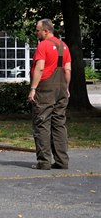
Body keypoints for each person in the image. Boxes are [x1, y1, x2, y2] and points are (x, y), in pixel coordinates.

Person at [27, 19, 71, 170]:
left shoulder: (43, 45)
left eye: (37, 30)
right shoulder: (64, 46)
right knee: (59, 123)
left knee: (42, 122)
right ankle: (62, 161)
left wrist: (33, 88)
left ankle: (44, 162)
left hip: (45, 88)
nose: (36, 33)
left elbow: (39, 68)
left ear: (46, 31)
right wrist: (67, 88)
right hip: (61, 88)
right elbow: (67, 69)